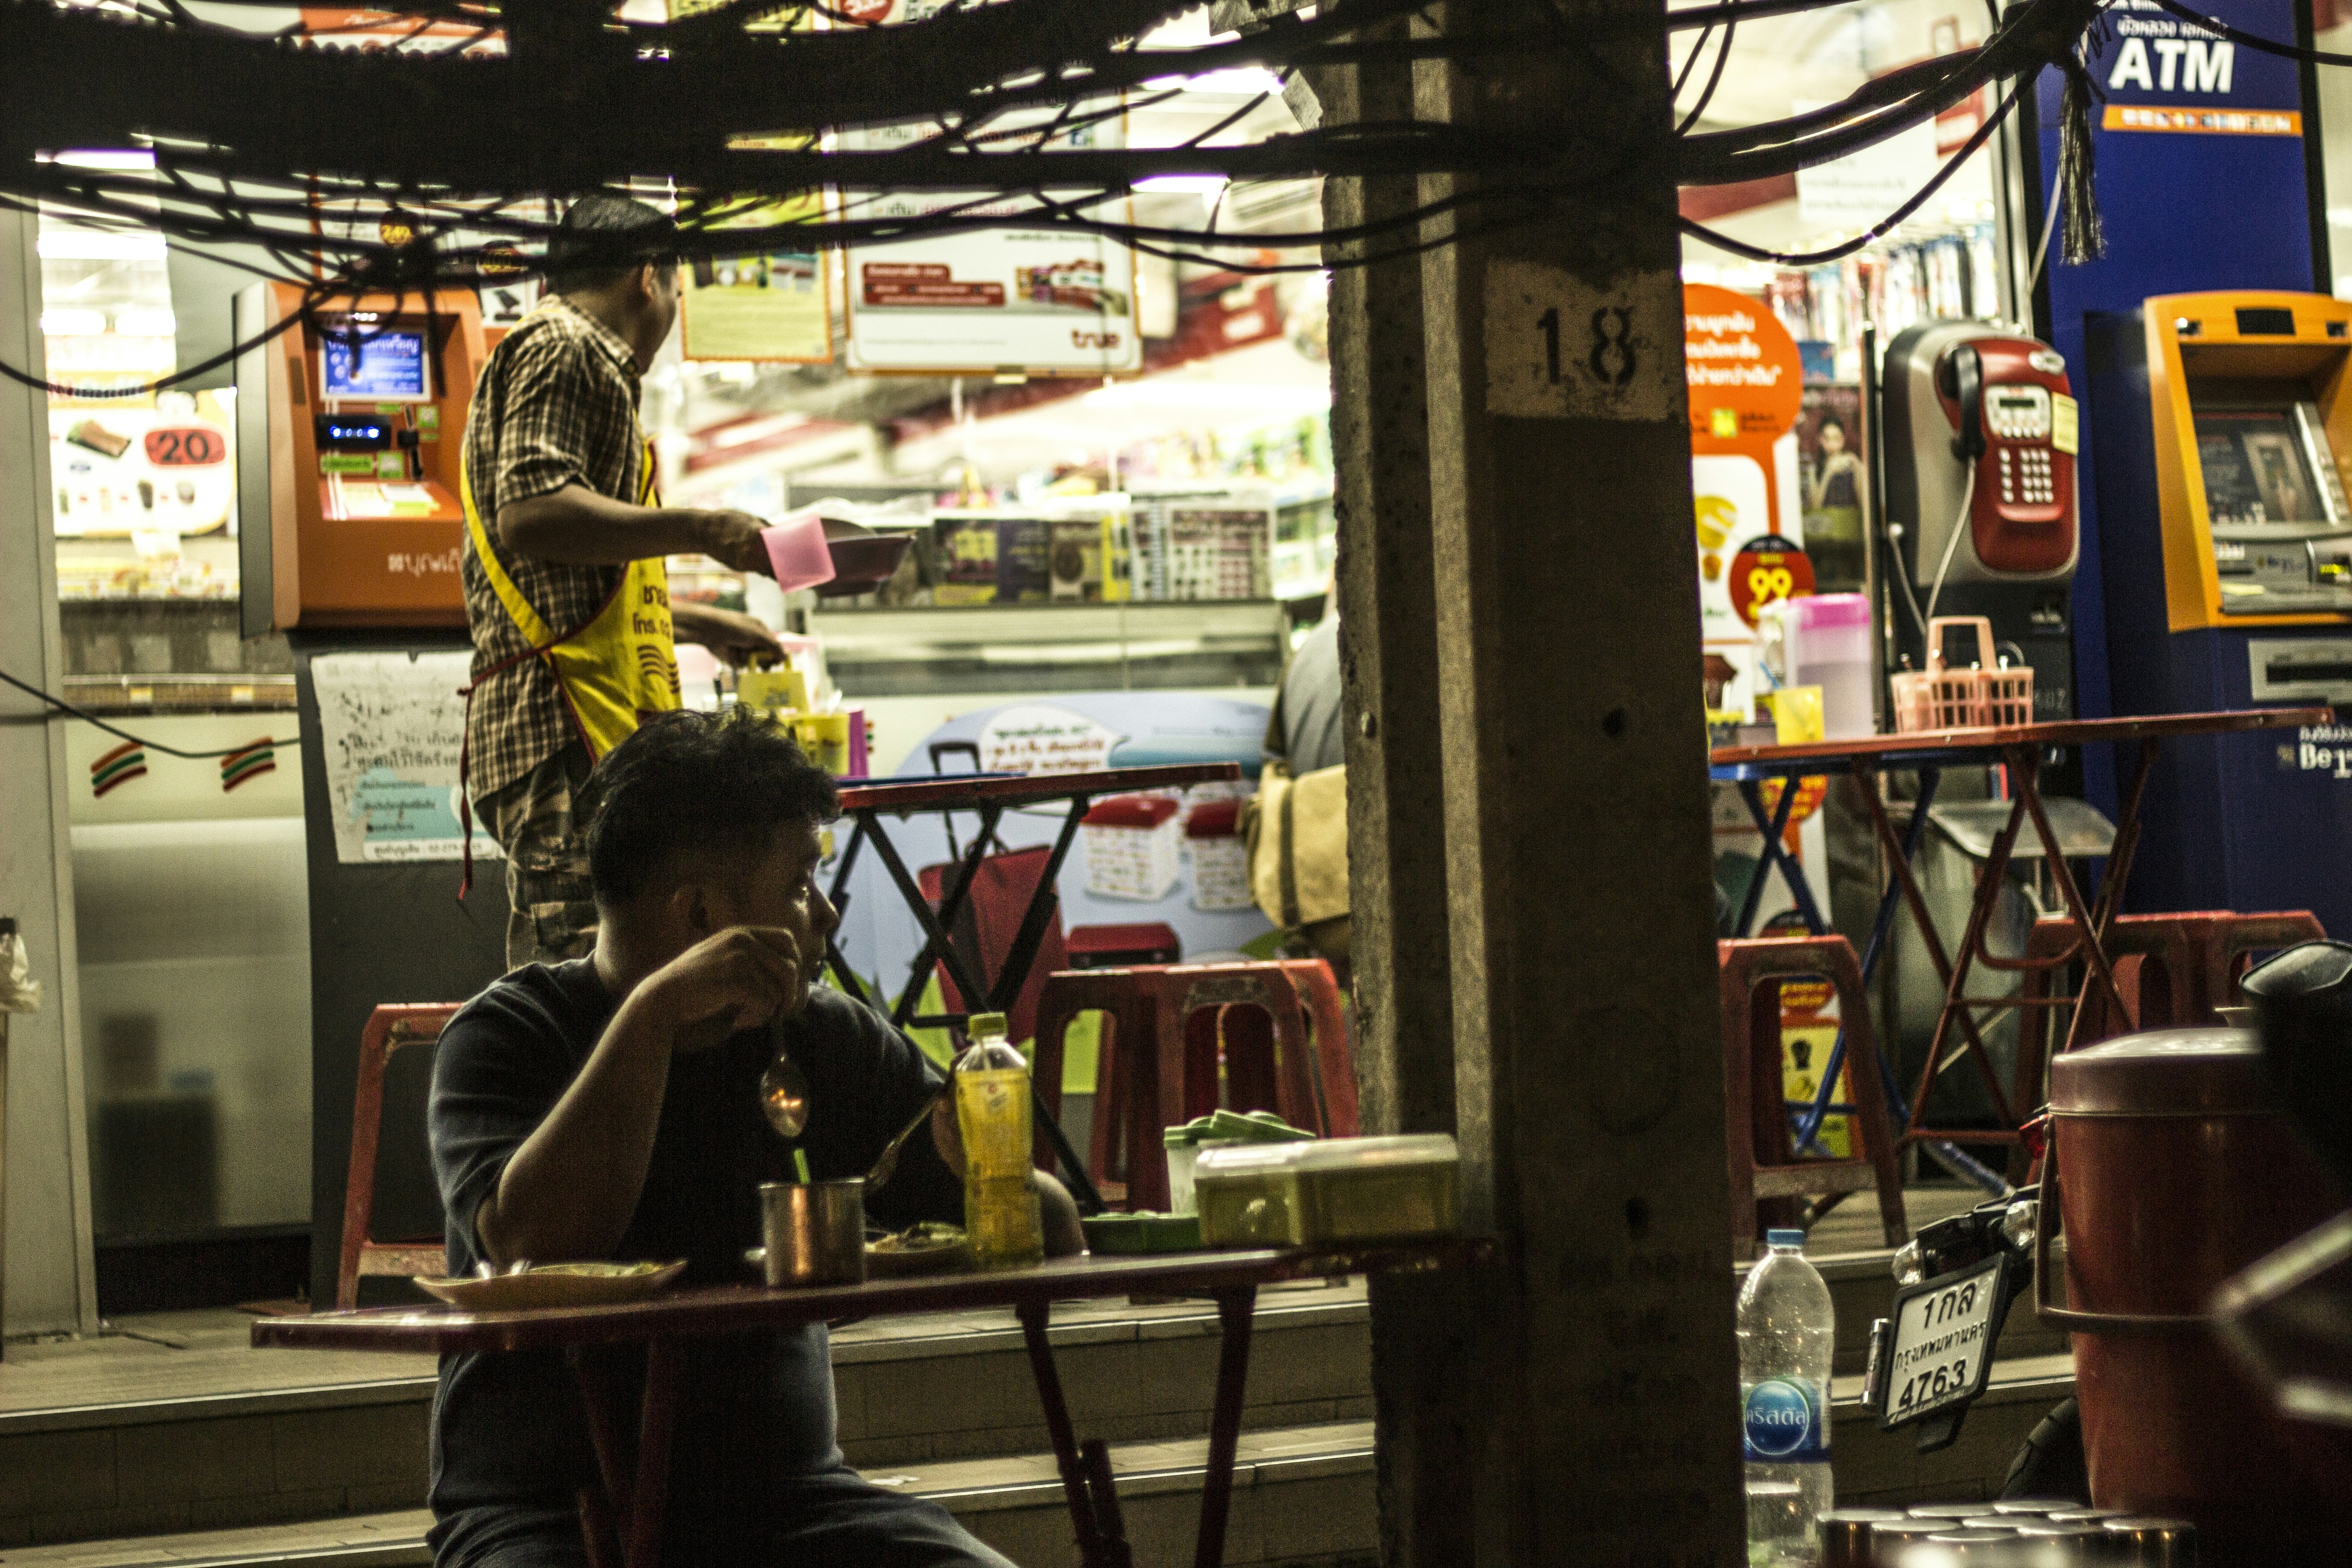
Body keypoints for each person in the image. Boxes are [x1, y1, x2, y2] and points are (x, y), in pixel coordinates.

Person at [427, 710, 1084, 1568]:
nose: (827, 911)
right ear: (701, 913)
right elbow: (535, 1245)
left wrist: (988, 1167)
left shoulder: (825, 1038)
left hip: (789, 1500)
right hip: (547, 1509)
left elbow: (1059, 1238)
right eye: (801, 884)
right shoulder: (507, 1035)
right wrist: (654, 1015)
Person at [461, 194, 786, 970]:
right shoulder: (568, 345)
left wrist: (705, 624)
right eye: (677, 287)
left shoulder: (570, 355)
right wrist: (703, 529)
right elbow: (532, 514)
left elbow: (573, 590)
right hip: (562, 729)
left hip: (581, 726)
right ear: (650, 277)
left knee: (620, 970)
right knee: (586, 977)